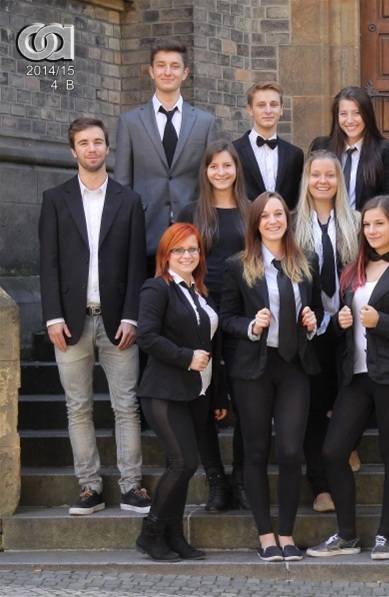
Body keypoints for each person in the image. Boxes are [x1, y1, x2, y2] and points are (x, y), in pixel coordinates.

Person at [307, 195, 389, 561]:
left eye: (379, 223)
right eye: (367, 224)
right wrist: (342, 322)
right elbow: (346, 325)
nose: (372, 230)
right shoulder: (353, 270)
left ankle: (384, 535)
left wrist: (382, 322)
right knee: (333, 451)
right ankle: (347, 535)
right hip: (356, 374)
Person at [39, 116, 150, 517]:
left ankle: (132, 486)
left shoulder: (129, 200)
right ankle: (89, 487)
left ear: (107, 148)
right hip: (70, 321)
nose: (92, 148)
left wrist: (133, 317)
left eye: (98, 142)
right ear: (74, 150)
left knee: (126, 406)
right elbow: (48, 262)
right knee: (78, 407)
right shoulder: (55, 199)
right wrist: (52, 316)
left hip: (118, 320)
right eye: (84, 143)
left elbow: (137, 266)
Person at [220, 192, 322, 562]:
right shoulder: (238, 265)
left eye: (278, 214)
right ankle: (266, 536)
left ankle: (288, 534)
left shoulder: (306, 261)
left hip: (293, 366)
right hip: (254, 369)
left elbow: (315, 310)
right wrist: (251, 325)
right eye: (265, 216)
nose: (273, 221)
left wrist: (312, 322)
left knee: (291, 451)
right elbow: (226, 318)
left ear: (287, 219)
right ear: (255, 224)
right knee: (257, 450)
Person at [134, 223, 223, 561]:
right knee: (183, 463)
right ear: (166, 254)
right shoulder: (157, 288)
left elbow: (214, 347)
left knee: (184, 466)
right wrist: (186, 357)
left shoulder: (200, 292)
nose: (187, 255)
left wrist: (217, 395)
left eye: (193, 249)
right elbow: (146, 336)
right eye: (179, 249)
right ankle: (151, 533)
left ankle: (173, 536)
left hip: (197, 393)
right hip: (164, 390)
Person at [176, 139, 251, 512]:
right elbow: (177, 261)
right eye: (214, 166)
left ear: (237, 169)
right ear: (205, 171)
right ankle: (216, 481)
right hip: (200, 312)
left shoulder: (252, 211)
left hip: (240, 313)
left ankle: (242, 480)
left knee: (245, 400)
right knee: (202, 399)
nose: (221, 172)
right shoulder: (191, 212)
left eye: (227, 165)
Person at [292, 150, 361, 513]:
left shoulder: (357, 222)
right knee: (315, 405)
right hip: (310, 327)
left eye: (330, 175)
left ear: (339, 180)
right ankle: (320, 486)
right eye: (316, 175)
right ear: (306, 180)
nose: (323, 181)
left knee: (351, 394)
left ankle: (348, 442)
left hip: (350, 324)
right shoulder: (292, 224)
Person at [114, 39, 218, 267]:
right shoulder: (130, 122)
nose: (167, 72)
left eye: (175, 66)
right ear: (151, 71)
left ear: (185, 73)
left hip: (193, 230)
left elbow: (212, 182)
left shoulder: (205, 123)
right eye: (161, 66)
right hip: (145, 231)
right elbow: (122, 183)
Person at [310, 86, 389, 210]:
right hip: (327, 220)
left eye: (357, 113)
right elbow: (308, 190)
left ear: (367, 115)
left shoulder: (385, 150)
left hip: (366, 221)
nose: (350, 121)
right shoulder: (322, 146)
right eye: (343, 114)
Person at [232, 82, 304, 209]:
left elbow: (295, 202)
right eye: (261, 105)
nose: (268, 111)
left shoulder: (295, 155)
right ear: (250, 110)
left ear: (282, 109)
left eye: (274, 105)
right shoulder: (233, 151)